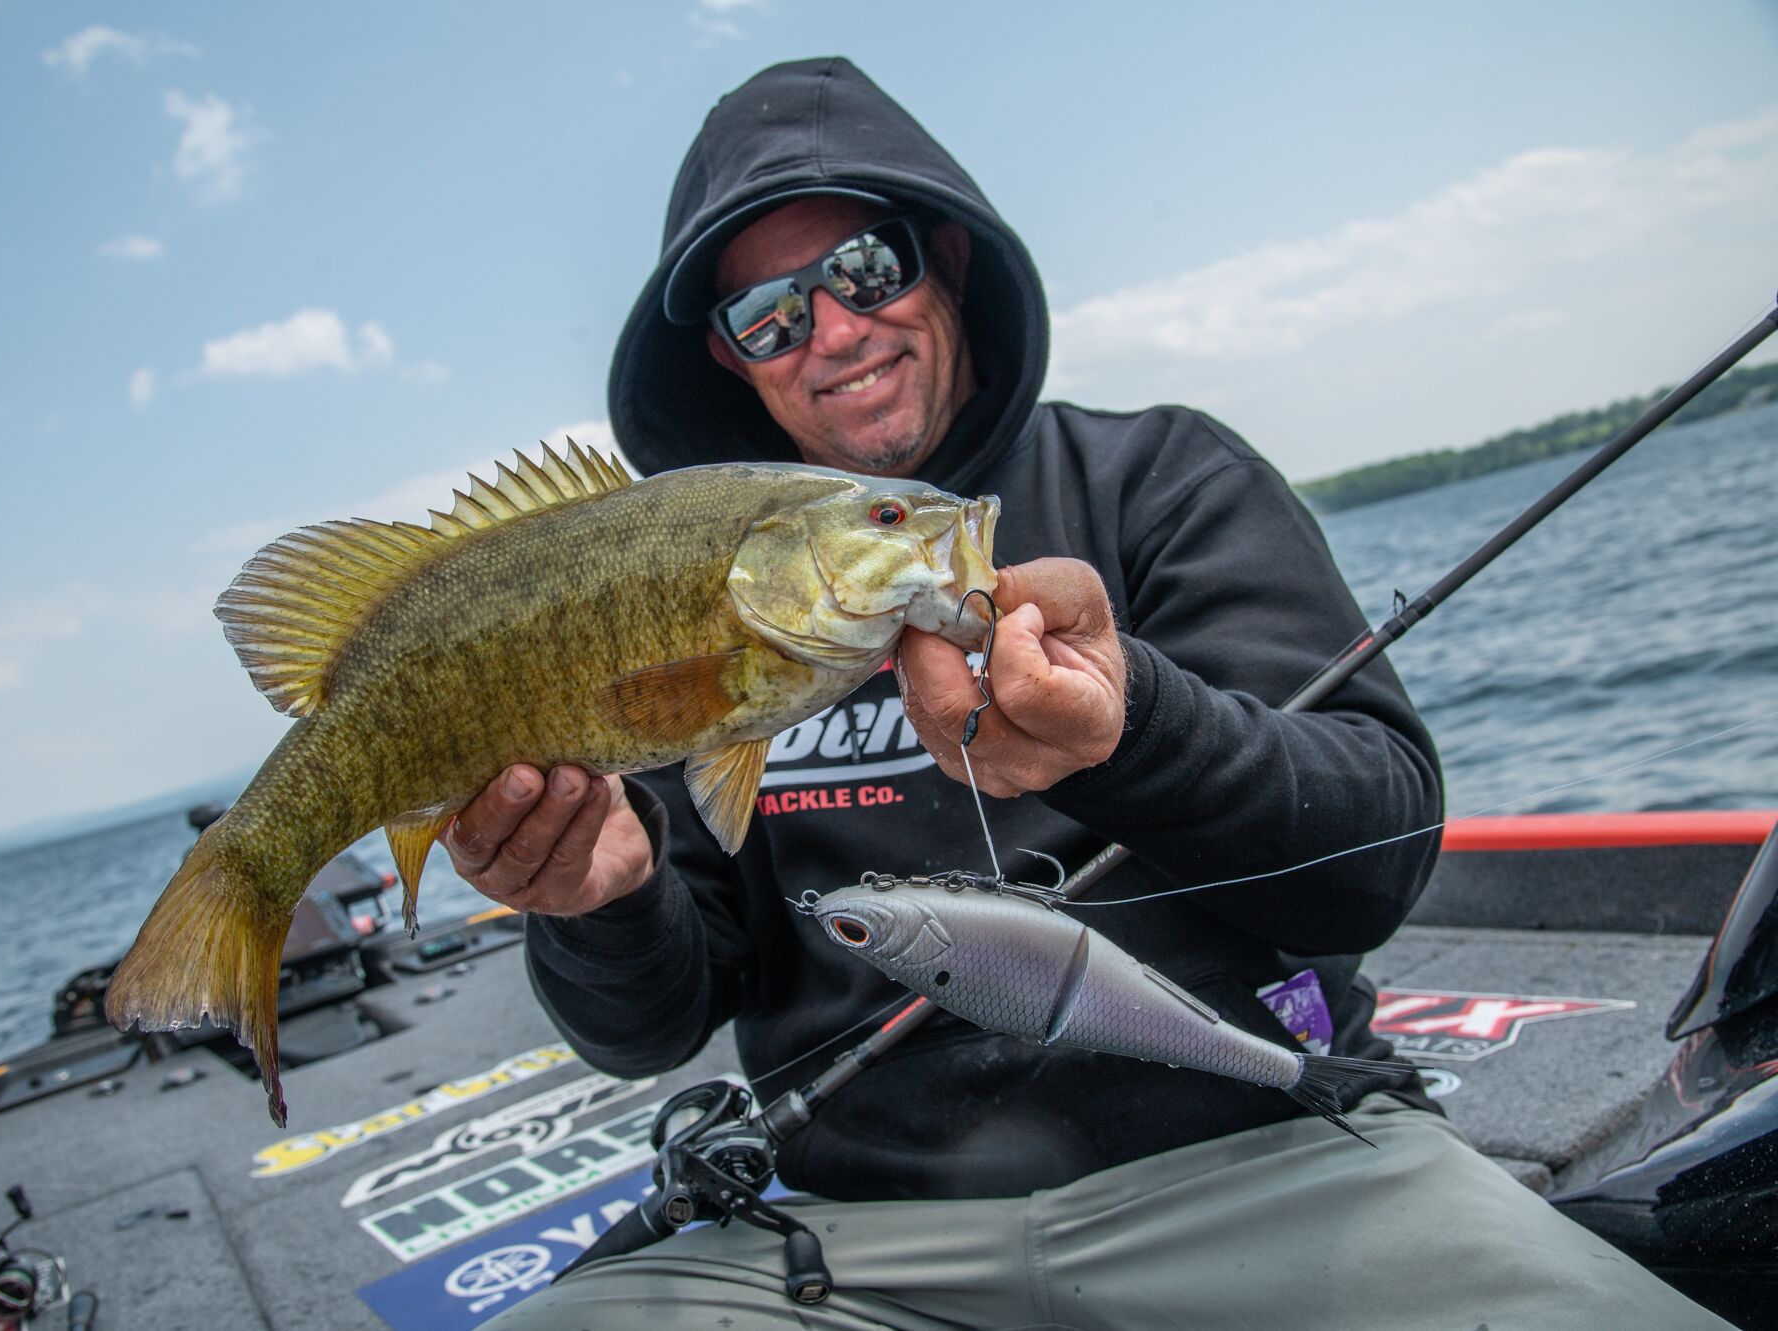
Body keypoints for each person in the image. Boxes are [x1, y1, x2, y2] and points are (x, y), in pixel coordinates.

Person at [451, 57, 1731, 1330]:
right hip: (845, 1248)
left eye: (861, 269)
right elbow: (651, 1023)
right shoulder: (704, 603)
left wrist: (1136, 734)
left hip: (1264, 1163)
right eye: (769, 318)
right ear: (735, 365)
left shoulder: (1158, 477)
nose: (831, 332)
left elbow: (1374, 860)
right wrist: (597, 903)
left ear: (944, 257)